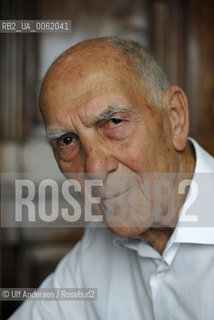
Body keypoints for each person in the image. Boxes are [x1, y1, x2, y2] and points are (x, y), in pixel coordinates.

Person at [9, 37, 214, 320]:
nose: (94, 168)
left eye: (114, 122)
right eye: (67, 140)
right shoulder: (98, 242)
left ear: (174, 118)